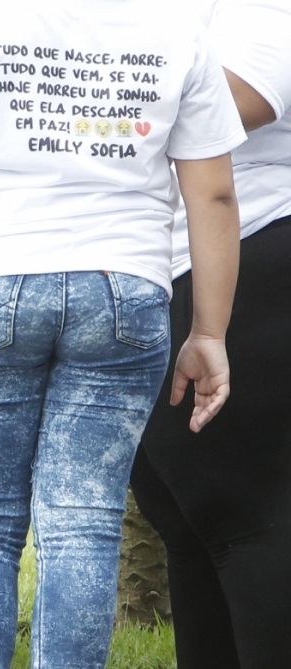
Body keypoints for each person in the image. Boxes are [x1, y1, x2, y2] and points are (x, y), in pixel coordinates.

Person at [0, 0, 246, 665]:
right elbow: (214, 194)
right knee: (85, 522)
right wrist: (209, 333)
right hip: (124, 287)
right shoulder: (177, 27)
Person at [130, 2, 291, 667]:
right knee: (190, 529)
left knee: (248, 525)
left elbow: (225, 104)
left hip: (247, 265)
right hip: (160, 271)